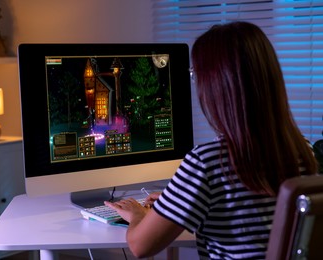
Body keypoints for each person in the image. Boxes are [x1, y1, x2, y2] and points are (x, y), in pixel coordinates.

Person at [104, 21, 318, 259]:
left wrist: (138, 217)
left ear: (216, 85)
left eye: (195, 74)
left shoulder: (206, 163)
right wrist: (175, 202)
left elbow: (140, 246)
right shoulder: (302, 150)